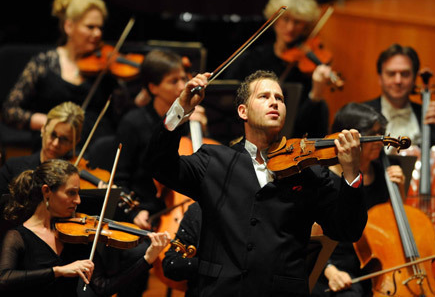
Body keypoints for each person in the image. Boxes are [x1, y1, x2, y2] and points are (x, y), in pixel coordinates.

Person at [145, 69, 367, 296]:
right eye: (264, 97)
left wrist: (351, 173)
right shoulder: (213, 161)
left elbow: (347, 230)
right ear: (243, 111)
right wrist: (181, 108)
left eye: (279, 99)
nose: (274, 103)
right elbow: (159, 164)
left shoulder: (310, 172)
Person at [0, 159, 171, 297]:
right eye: (71, 193)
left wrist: (147, 260)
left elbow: (103, 287)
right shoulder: (18, 237)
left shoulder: (76, 236)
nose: (78, 201)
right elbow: (5, 279)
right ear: (47, 192)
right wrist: (58, 271)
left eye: (78, 193)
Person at [1, 0, 121, 151]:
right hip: (54, 148)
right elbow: (9, 111)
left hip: (95, 149)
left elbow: (122, 113)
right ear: (69, 26)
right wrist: (50, 122)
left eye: (100, 27)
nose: (98, 34)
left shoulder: (105, 68)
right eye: (90, 27)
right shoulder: (44, 63)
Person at [311, 102, 405, 296]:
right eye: (372, 135)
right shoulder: (323, 179)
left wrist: (399, 192)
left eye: (381, 133)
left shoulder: (383, 173)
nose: (380, 141)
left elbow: (391, 225)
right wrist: (330, 270)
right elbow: (310, 237)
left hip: (377, 267)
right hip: (337, 268)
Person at [223, 0, 333, 138]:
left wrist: (316, 94)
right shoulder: (252, 59)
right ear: (274, 18)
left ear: (306, 26)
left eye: (298, 22)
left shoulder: (309, 69)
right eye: (285, 19)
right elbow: (226, 100)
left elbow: (313, 128)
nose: (290, 27)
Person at [115, 49, 207, 230]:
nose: (182, 86)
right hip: (147, 215)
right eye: (173, 81)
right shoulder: (133, 123)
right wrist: (134, 212)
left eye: (183, 78)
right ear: (153, 87)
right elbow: (119, 180)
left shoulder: (191, 121)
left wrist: (201, 130)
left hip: (184, 212)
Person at [364, 43, 435, 149]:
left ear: (414, 78)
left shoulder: (428, 116)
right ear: (380, 78)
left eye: (405, 74)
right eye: (391, 74)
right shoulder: (363, 113)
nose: (398, 81)